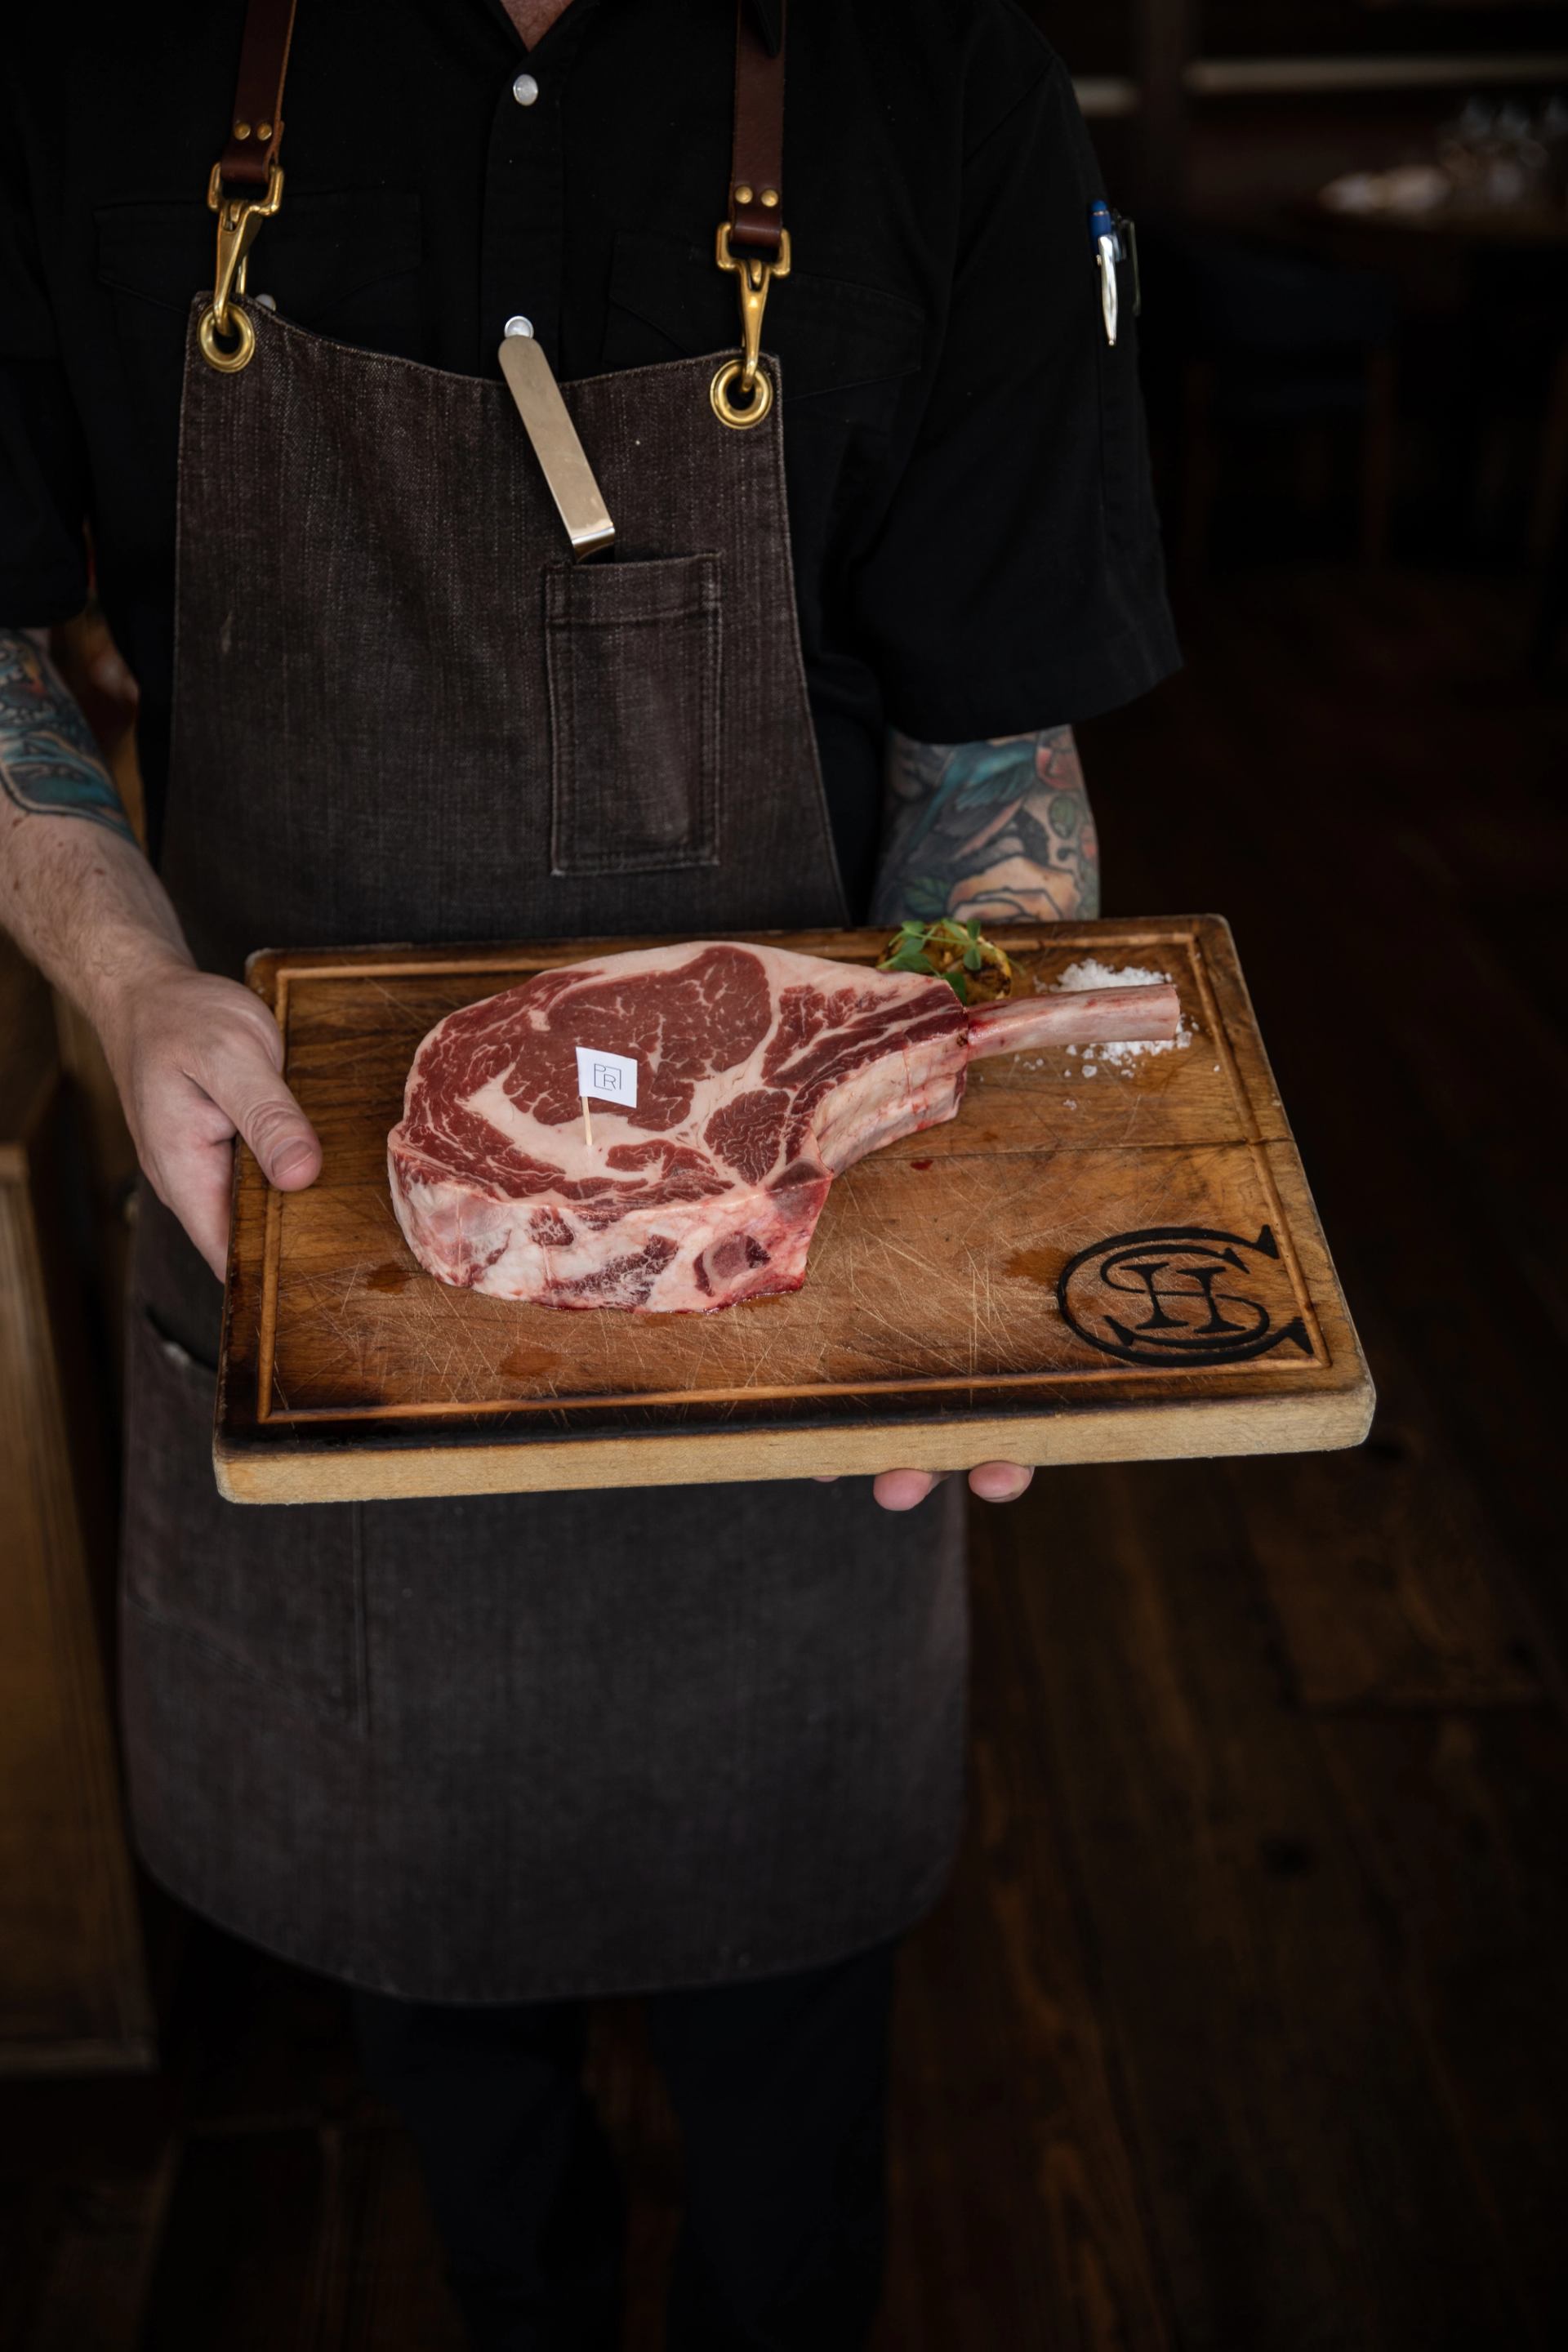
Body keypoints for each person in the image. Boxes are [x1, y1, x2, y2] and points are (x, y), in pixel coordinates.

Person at [0, 2, 1178, 2345]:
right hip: (329, 1276)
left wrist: (971, 1232)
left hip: (788, 1313)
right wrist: (127, 983)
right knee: (454, 2085)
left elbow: (988, 751)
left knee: (792, 2113)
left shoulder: (937, 74)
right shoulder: (83, 55)